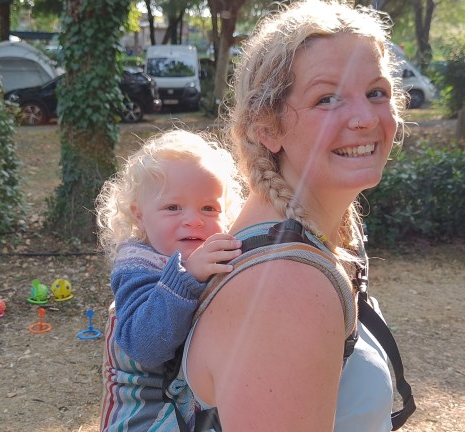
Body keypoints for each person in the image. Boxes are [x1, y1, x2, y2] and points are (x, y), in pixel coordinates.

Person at [180, 1, 404, 431]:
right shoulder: (285, 288)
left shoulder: (304, 245)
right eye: (327, 98)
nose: (364, 118)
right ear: (267, 128)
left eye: (376, 92)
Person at [95, 130, 245, 431]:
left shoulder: (212, 254)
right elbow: (146, 346)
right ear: (139, 217)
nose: (193, 220)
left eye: (209, 208)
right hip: (144, 417)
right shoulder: (137, 265)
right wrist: (187, 277)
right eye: (173, 207)